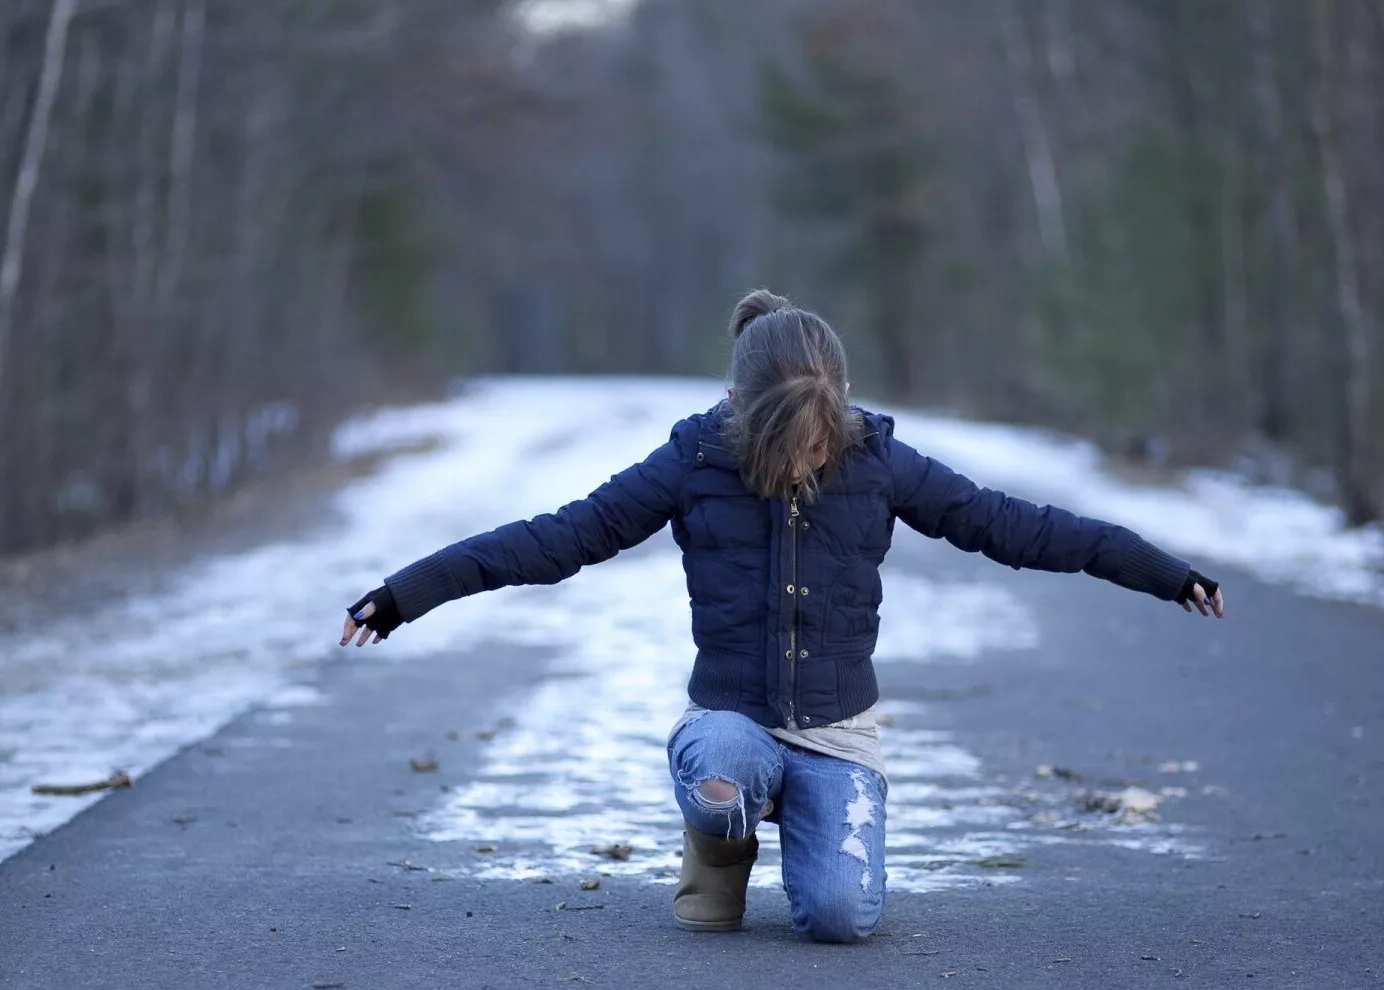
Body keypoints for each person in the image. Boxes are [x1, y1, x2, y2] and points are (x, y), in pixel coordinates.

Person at [340, 289, 1224, 944]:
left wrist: (1160, 571)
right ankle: (720, 846)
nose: (811, 452)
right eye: (793, 435)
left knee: (841, 920)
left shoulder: (878, 458)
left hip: (838, 733)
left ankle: (820, 819)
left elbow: (1018, 527)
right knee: (721, 772)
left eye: (825, 430)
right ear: (743, 414)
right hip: (733, 719)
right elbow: (554, 540)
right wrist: (405, 595)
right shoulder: (692, 457)